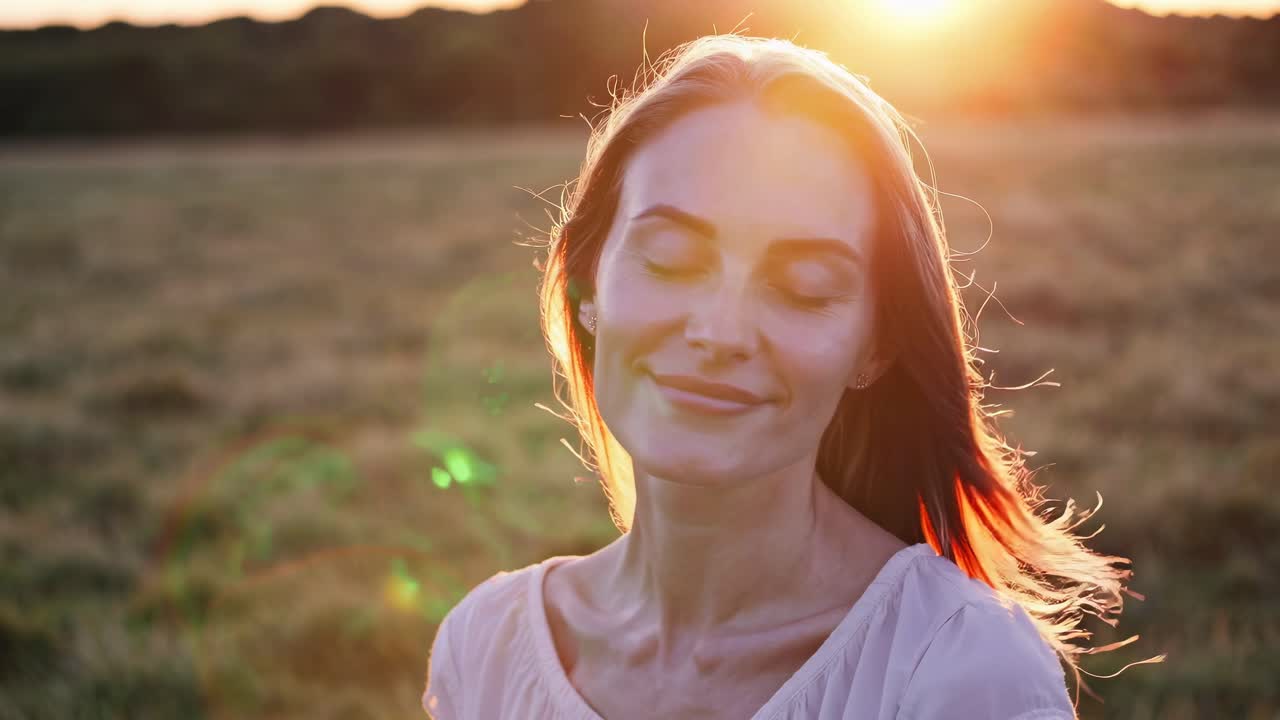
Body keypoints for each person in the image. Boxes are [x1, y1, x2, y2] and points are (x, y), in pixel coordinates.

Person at [423, 33, 1148, 719]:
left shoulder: (959, 669)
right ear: (587, 287)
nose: (719, 333)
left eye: (803, 286)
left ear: (875, 346)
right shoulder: (486, 647)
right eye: (672, 258)